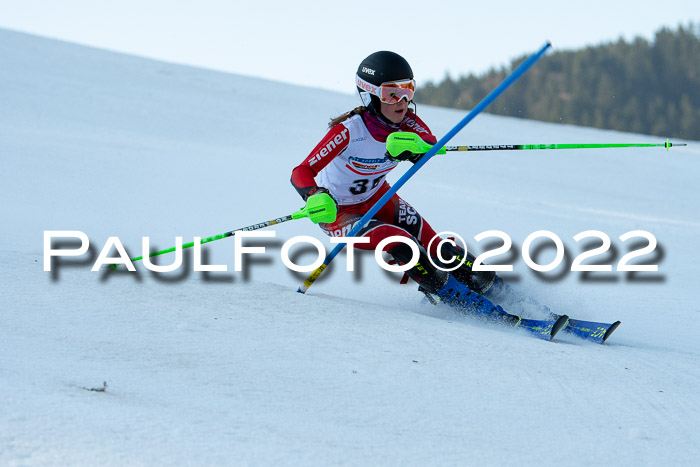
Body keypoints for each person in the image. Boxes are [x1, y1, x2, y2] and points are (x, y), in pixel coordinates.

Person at [290, 51, 514, 322]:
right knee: (401, 243)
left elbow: (429, 141)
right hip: (339, 212)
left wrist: (418, 147)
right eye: (391, 94)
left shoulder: (408, 122)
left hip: (379, 198)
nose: (403, 101)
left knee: (438, 248)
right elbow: (302, 171)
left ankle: (505, 293)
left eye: (408, 89)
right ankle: (466, 303)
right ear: (370, 95)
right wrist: (313, 196)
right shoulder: (349, 131)